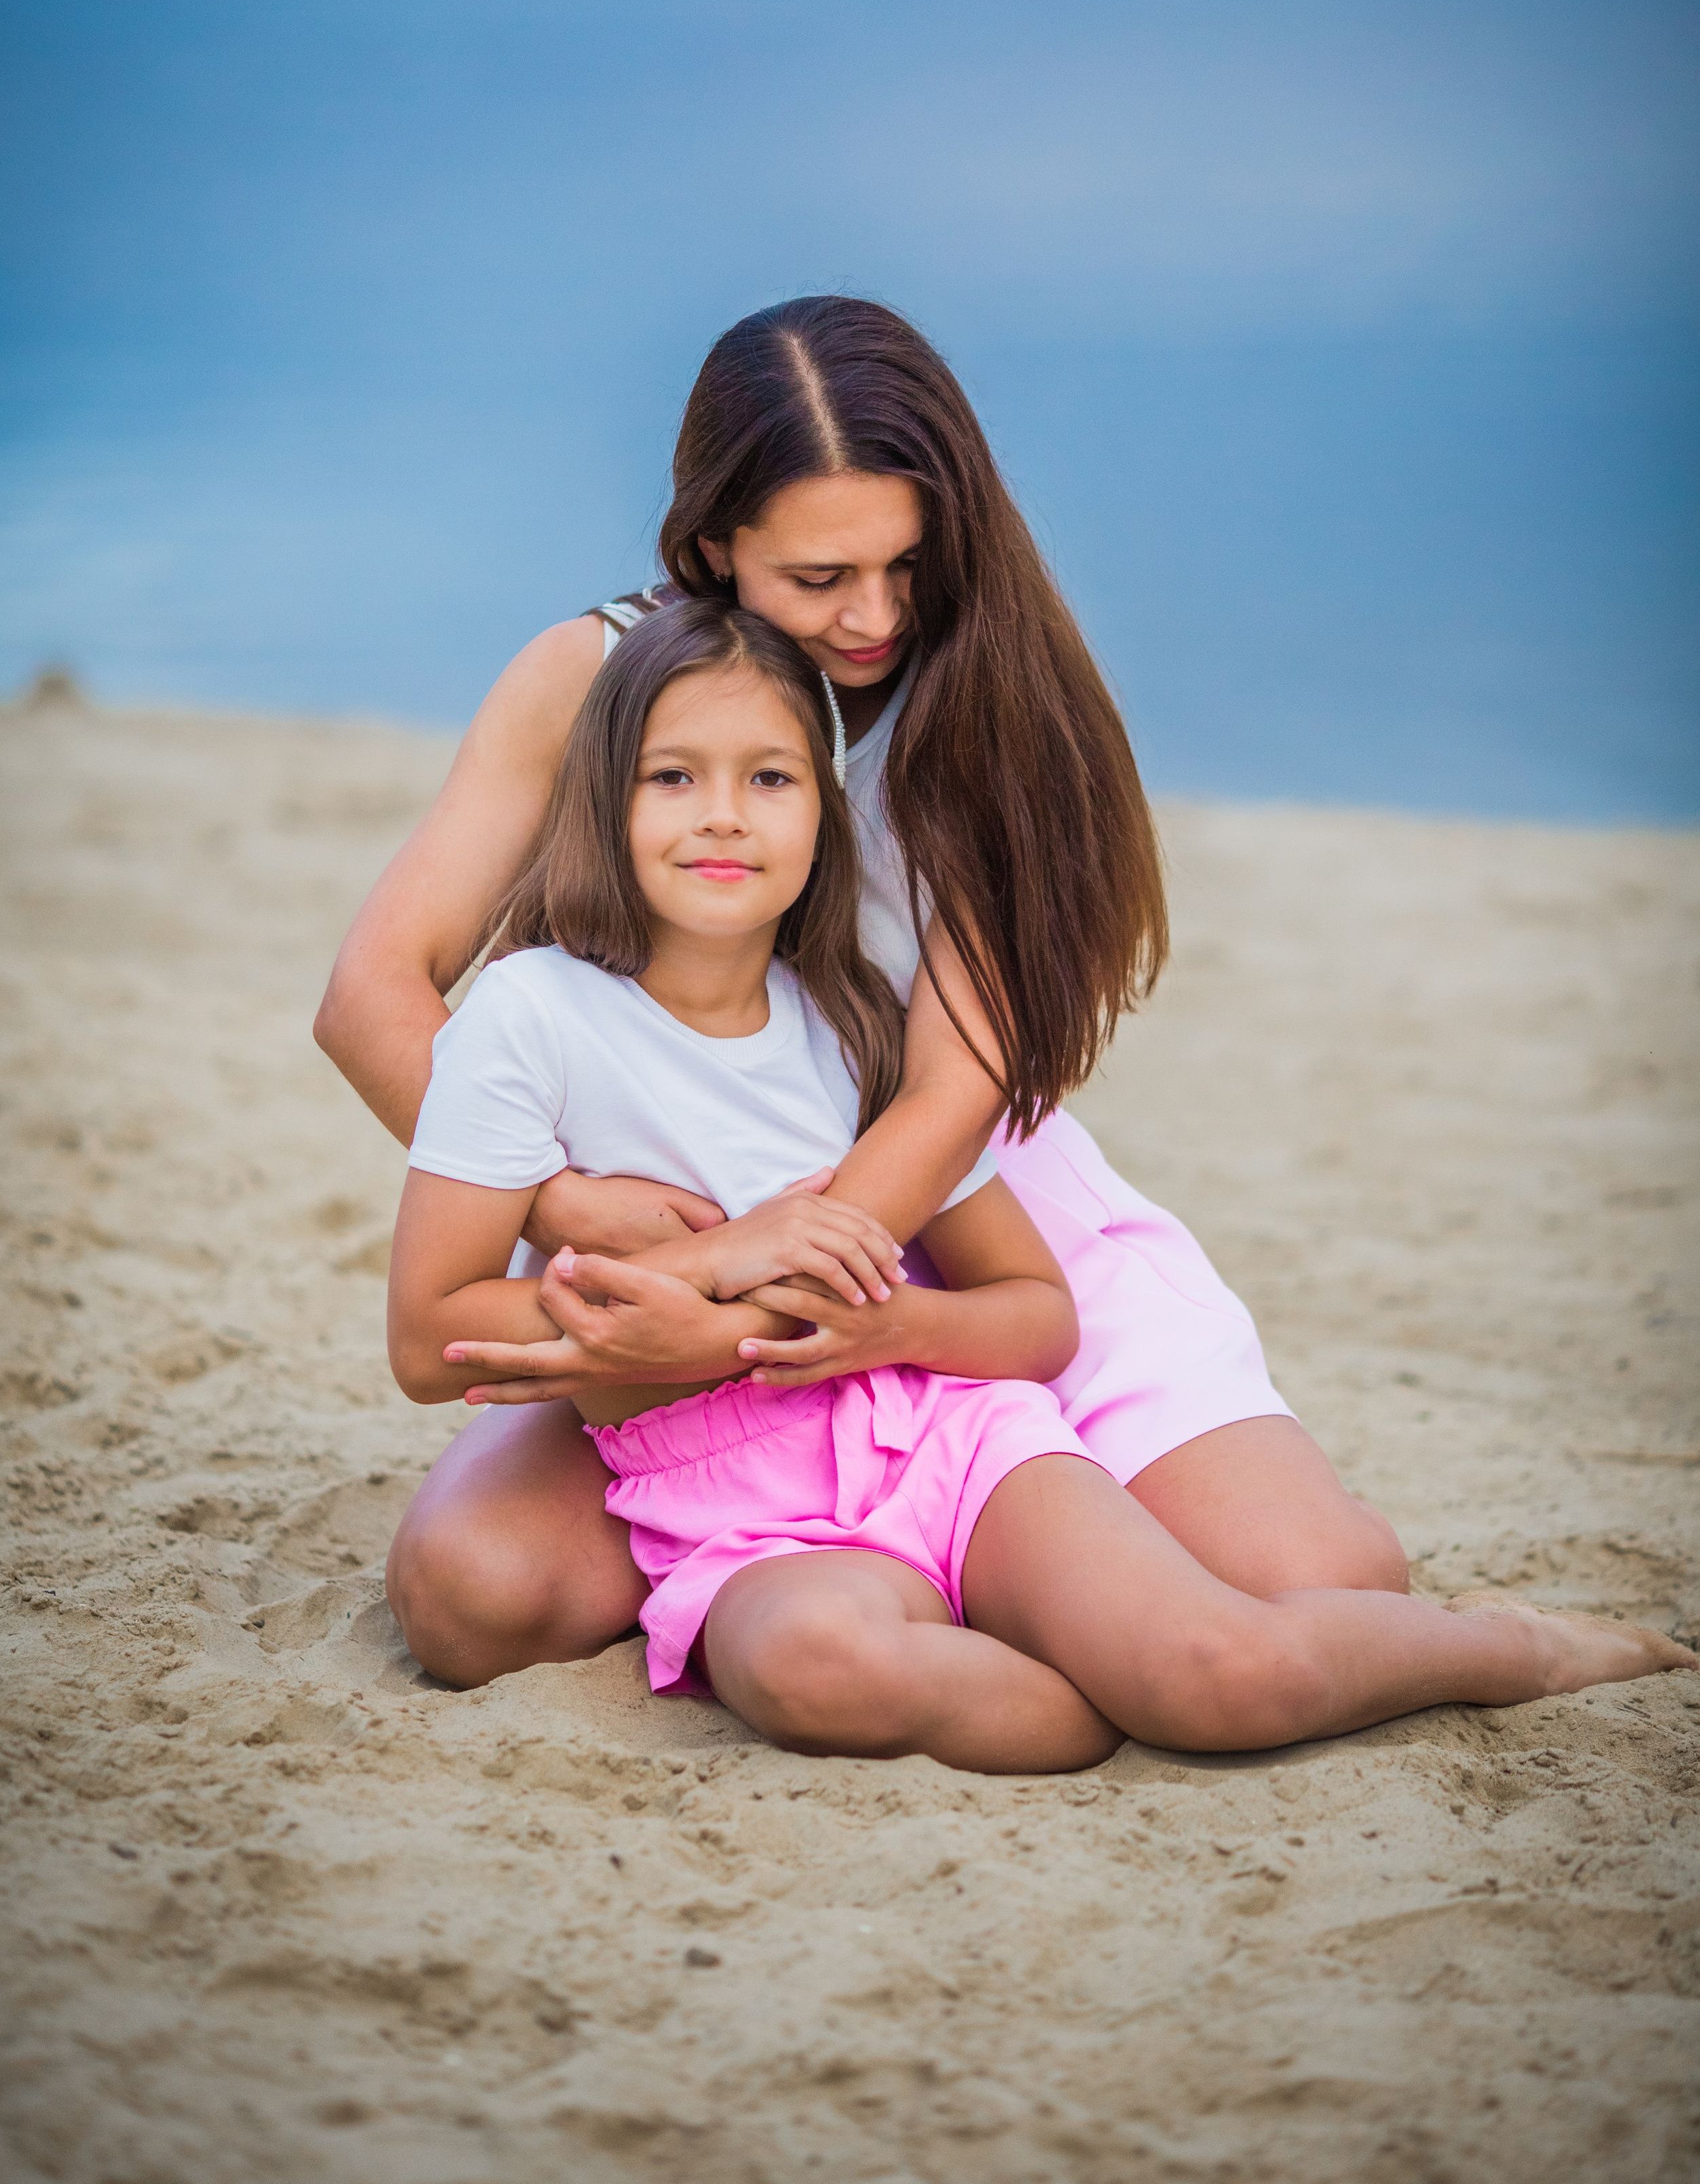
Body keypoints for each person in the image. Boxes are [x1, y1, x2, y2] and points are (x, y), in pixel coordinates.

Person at [389, 600, 1692, 1768]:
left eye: (772, 778)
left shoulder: (856, 1028)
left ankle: (1515, 1650)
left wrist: (895, 1325)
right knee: (807, 1667)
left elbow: (1033, 1313)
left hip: (947, 1440)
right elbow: (426, 1333)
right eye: (675, 776)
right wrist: (722, 1266)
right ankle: (1090, 1676)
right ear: (604, 803)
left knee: (1221, 1675)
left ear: (825, 818)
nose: (724, 812)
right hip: (731, 1510)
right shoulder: (532, 1015)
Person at [318, 293, 1406, 1688]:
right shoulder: (592, 678)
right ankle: (933, 1573)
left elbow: (951, 1093)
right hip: (683, 1221)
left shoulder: (1002, 706)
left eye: (908, 563)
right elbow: (373, 994)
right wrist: (566, 1206)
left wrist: (747, 1304)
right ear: (715, 545)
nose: (876, 615)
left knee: (1320, 1581)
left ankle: (990, 1546)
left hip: (952, 1212)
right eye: (821, 577)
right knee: (477, 1601)